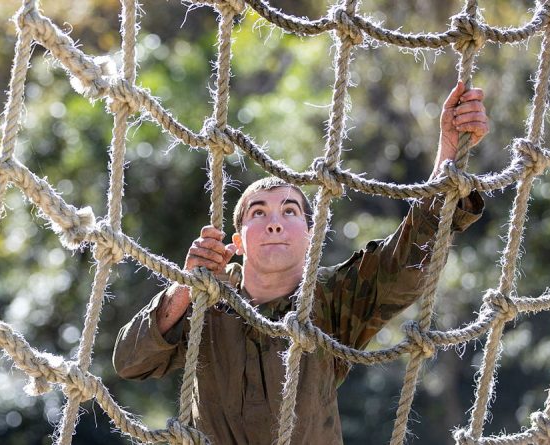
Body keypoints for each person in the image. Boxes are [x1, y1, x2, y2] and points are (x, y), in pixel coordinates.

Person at [112, 82, 488, 444]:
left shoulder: (334, 300)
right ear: (238, 242)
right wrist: (184, 289)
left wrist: (449, 154)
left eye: (289, 210)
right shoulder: (209, 302)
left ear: (311, 237)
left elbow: (409, 259)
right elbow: (130, 362)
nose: (274, 221)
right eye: (258, 213)